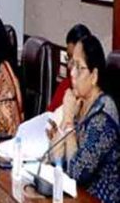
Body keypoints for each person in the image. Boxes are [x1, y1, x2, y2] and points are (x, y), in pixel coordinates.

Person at [47, 35, 119, 203]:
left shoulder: (103, 116)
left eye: (79, 68)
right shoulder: (80, 103)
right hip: (75, 196)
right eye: (72, 64)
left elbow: (76, 172)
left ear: (94, 76)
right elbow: (54, 158)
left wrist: (68, 120)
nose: (72, 73)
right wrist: (66, 118)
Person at [47, 24, 91, 112]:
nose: (69, 65)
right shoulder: (65, 85)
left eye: (75, 61)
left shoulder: (95, 96)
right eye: (68, 57)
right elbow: (49, 115)